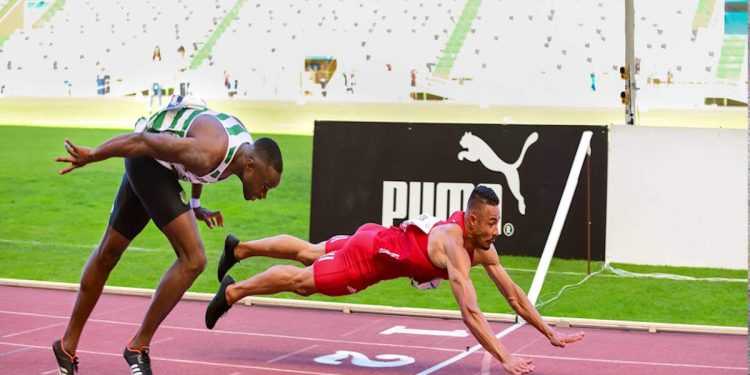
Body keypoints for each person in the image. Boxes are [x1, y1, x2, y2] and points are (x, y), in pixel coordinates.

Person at [206, 186, 584, 375]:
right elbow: (470, 311)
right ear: (470, 220)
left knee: (309, 251)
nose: (496, 231)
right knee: (303, 281)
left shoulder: (481, 246)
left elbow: (514, 297)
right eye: (490, 223)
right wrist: (505, 358)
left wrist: (547, 330)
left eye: (497, 222)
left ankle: (239, 249)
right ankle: (234, 291)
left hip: (376, 235)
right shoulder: (455, 246)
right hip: (369, 260)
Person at [52, 94, 284, 375]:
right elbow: (143, 142)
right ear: (250, 167)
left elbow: (199, 169)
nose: (263, 194)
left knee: (109, 252)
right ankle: (138, 347)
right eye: (265, 185)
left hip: (156, 164)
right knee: (194, 259)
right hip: (147, 158)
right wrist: (94, 155)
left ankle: (66, 345)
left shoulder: (241, 149)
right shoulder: (212, 151)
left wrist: (195, 205)